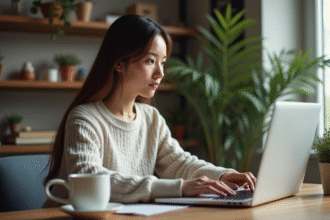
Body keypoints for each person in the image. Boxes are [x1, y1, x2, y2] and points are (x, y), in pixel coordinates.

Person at [42, 14, 257, 208]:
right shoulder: (84, 119)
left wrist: (224, 175)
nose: (160, 73)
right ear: (119, 63)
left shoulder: (150, 118)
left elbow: (180, 164)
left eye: (163, 63)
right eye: (150, 61)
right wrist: (179, 188)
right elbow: (89, 177)